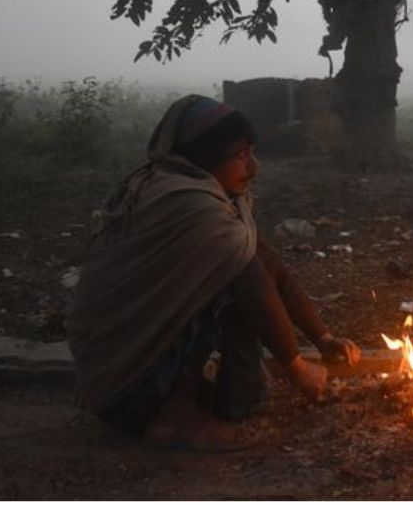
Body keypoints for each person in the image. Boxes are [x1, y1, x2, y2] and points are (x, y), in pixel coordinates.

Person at [68, 94, 361, 451]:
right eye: (241, 155)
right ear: (205, 157)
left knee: (239, 280)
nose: (254, 167)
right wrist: (297, 368)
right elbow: (250, 278)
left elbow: (266, 261)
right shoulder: (187, 204)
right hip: (125, 384)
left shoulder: (205, 193)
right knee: (231, 294)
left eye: (253, 152)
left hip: (131, 373)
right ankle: (170, 419)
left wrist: (322, 337)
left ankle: (205, 399)